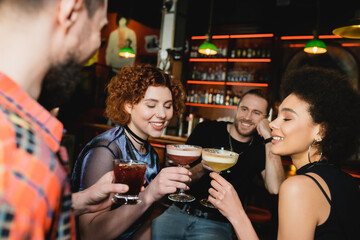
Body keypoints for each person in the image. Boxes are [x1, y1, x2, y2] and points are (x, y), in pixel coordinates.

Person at [0, 0, 131, 238]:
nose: (94, 46)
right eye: (99, 30)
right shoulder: (21, 157)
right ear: (71, 10)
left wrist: (75, 202)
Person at [208, 67, 360, 240]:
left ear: (321, 131)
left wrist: (236, 213)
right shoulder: (348, 181)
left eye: (287, 118)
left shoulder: (298, 187)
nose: (272, 124)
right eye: (277, 116)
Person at [71, 64, 192, 240]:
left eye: (168, 105)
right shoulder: (105, 150)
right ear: (128, 105)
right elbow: (90, 234)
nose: (162, 114)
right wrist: (150, 194)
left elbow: (141, 223)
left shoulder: (150, 153)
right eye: (151, 105)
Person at [152, 89, 285, 240]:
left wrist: (269, 136)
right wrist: (203, 167)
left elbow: (275, 188)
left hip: (217, 224)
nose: (247, 117)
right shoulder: (207, 129)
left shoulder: (260, 147)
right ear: (237, 109)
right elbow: (181, 179)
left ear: (265, 118)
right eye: (244, 109)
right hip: (179, 211)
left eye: (256, 112)